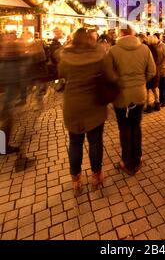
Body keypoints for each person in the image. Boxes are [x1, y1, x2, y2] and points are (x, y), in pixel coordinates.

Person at [58, 28, 117, 193]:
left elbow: (61, 73)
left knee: (75, 143)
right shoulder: (99, 56)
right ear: (90, 39)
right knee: (95, 142)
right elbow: (111, 77)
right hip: (94, 106)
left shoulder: (66, 57)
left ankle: (76, 180)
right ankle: (96, 176)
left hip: (73, 106)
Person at [108, 26, 156, 175]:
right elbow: (152, 71)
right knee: (136, 126)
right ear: (133, 33)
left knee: (124, 128)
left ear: (121, 33)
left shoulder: (113, 50)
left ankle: (127, 161)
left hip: (121, 96)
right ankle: (138, 158)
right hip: (139, 94)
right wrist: (141, 82)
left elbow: (108, 74)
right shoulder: (144, 49)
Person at [144, 35, 160, 113]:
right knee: (154, 88)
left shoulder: (147, 48)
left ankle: (149, 105)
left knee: (147, 89)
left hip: (148, 70)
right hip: (155, 70)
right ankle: (157, 103)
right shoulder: (156, 47)